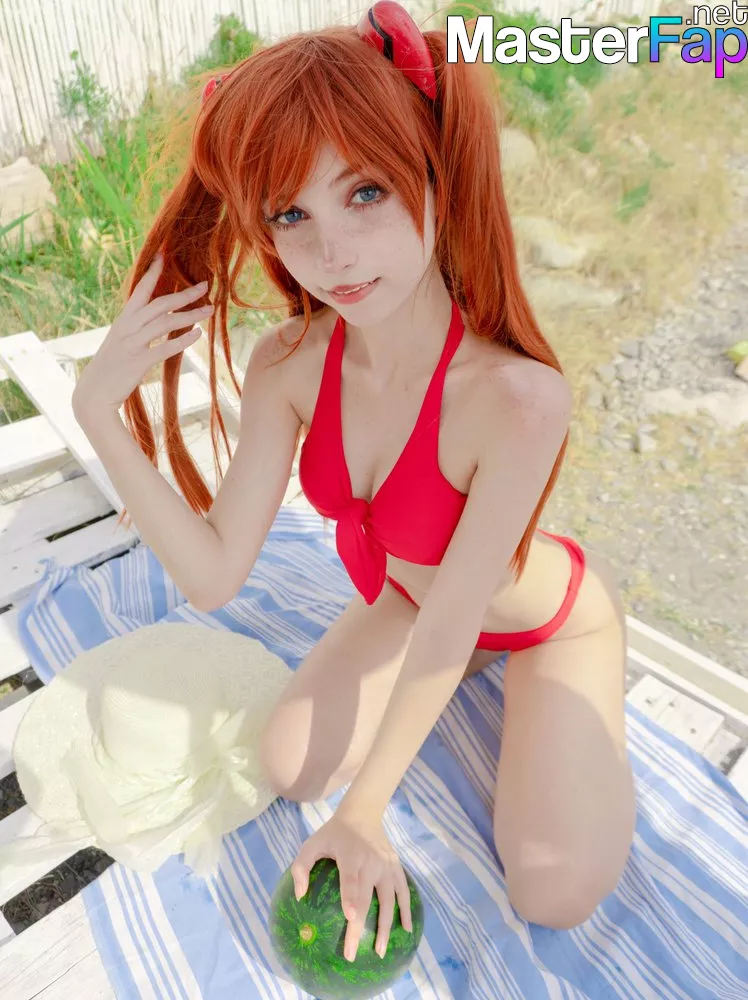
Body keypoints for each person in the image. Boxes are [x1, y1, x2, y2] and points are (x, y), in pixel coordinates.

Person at [71, 1, 635, 966]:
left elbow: (454, 621)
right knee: (289, 767)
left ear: (433, 173)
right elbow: (212, 577)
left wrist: (365, 814)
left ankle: (575, 693)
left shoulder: (515, 399)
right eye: (290, 214)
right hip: (410, 604)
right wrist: (95, 410)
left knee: (553, 891)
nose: (330, 253)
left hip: (539, 619)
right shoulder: (290, 362)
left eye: (364, 192)